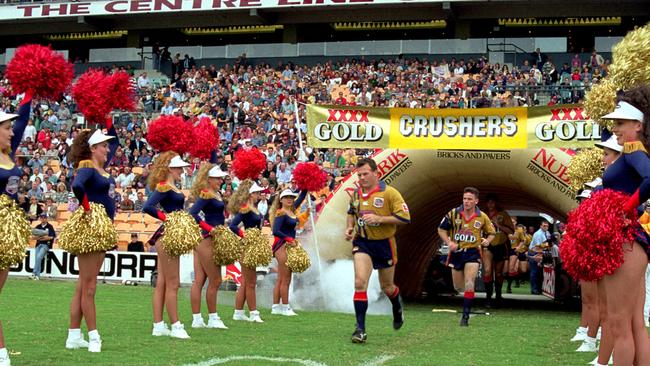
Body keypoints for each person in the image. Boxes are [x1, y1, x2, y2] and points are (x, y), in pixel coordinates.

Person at [595, 89, 650, 366]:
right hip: (631, 240)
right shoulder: (631, 153)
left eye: (620, 123)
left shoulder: (633, 150)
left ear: (637, 126)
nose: (614, 129)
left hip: (626, 239)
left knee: (619, 324)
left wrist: (626, 208)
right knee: (633, 322)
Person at [66, 122, 119, 353]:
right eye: (103, 146)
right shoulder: (87, 165)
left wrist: (108, 118)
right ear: (93, 148)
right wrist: (88, 209)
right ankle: (94, 336)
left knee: (82, 286)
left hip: (101, 228)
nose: (108, 150)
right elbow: (77, 185)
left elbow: (115, 141)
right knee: (89, 287)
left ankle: (73, 335)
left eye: (107, 147)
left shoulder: (101, 168)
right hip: (92, 228)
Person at [345, 158, 410, 343]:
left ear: (376, 173)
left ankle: (397, 307)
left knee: (387, 287)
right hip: (363, 242)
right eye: (359, 175)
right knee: (359, 283)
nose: (362, 178)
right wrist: (349, 228)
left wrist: (380, 219)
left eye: (365, 174)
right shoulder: (356, 194)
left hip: (384, 244)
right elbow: (351, 212)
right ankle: (360, 329)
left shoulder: (390, 193)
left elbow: (405, 218)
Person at [144, 152, 192, 339]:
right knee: (173, 283)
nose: (182, 170)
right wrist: (168, 218)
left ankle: (158, 325)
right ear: (170, 169)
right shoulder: (164, 186)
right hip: (168, 235)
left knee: (164, 283)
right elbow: (148, 206)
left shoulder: (173, 186)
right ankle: (176, 325)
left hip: (170, 235)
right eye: (179, 167)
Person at [0, 95, 31, 366]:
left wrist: (30, 91)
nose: (12, 132)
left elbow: (23, 120)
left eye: (11, 128)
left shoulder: (8, 154)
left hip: (8, 230)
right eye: (6, 128)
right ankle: (1, 353)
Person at [438, 187, 495, 326]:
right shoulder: (453, 213)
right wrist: (449, 242)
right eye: (464, 199)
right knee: (458, 287)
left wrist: (488, 240)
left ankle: (465, 316)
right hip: (456, 253)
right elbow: (441, 229)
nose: (466, 202)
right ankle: (466, 300)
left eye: (470, 199)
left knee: (470, 283)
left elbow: (492, 233)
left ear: (476, 200)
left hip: (472, 252)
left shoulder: (482, 216)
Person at [188, 163, 229, 329]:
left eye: (220, 178)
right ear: (209, 180)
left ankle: (197, 319)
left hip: (206, 239)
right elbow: (192, 214)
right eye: (217, 178)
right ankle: (212, 317)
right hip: (207, 239)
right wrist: (209, 228)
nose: (220, 180)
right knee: (215, 279)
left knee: (200, 280)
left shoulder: (216, 193)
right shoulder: (206, 194)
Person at [228, 179, 265, 323]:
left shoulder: (253, 208)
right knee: (251, 282)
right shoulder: (246, 208)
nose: (259, 195)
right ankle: (254, 313)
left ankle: (238, 312)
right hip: (248, 246)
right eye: (257, 193)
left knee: (245, 281)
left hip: (253, 245)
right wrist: (245, 236)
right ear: (251, 194)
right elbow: (233, 225)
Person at [269, 188, 307, 316]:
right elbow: (275, 231)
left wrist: (305, 183)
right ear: (281, 200)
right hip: (282, 246)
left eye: (291, 197)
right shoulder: (281, 213)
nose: (290, 199)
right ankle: (285, 307)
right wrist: (289, 239)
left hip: (289, 246)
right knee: (285, 278)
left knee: (282, 278)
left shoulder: (291, 210)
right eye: (286, 197)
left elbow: (302, 196)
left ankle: (275, 307)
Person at [483, 194, 514, 307]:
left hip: (501, 245)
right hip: (487, 245)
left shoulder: (503, 214)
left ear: (496, 203)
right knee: (487, 270)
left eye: (493, 202)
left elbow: (511, 231)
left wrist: (498, 225)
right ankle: (488, 297)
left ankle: (498, 295)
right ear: (486, 203)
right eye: (489, 202)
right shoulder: (482, 214)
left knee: (499, 272)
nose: (490, 204)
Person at [528, 220, 550, 295]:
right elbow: (538, 247)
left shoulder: (547, 233)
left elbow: (547, 244)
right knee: (534, 271)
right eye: (544, 225)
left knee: (540, 271)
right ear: (540, 226)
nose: (546, 227)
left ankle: (539, 289)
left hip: (541, 251)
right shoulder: (538, 234)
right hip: (534, 251)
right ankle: (534, 289)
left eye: (547, 226)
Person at [31, 213, 56, 280]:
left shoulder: (50, 226)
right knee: (37, 259)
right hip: (38, 244)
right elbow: (33, 237)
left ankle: (34, 273)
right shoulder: (38, 226)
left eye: (44, 217)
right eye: (41, 217)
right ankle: (37, 276)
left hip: (46, 245)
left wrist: (43, 238)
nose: (43, 219)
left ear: (46, 218)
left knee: (39, 257)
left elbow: (52, 237)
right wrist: (42, 237)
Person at [506, 217, 525, 293]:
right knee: (505, 270)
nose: (512, 223)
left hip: (514, 250)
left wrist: (519, 247)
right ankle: (515, 279)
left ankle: (509, 286)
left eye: (513, 222)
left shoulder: (519, 230)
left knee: (511, 268)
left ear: (516, 222)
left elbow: (523, 240)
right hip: (506, 250)